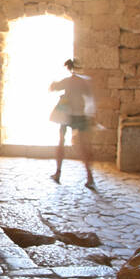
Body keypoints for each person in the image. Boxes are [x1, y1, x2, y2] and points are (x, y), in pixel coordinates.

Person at [48, 58, 96, 189]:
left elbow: (53, 87)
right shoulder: (85, 82)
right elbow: (90, 100)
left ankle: (58, 172)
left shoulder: (68, 81)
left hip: (67, 116)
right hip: (81, 115)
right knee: (83, 146)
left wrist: (53, 85)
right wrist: (92, 115)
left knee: (61, 142)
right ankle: (89, 176)